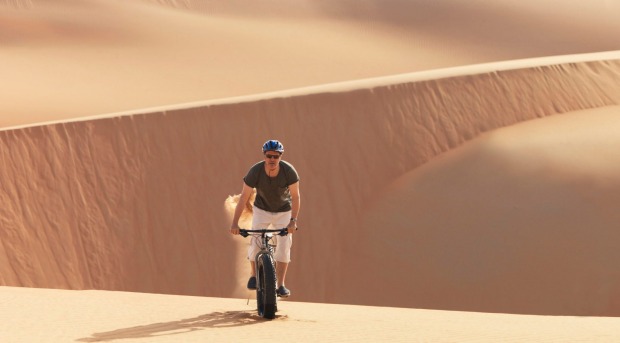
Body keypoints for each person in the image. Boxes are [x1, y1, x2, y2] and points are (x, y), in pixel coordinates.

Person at [230, 139, 300, 297]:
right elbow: (243, 198)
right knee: (255, 241)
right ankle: (254, 275)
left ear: (280, 156)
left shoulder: (289, 171)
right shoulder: (255, 171)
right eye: (269, 156)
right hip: (261, 209)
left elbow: (295, 197)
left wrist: (293, 220)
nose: (272, 160)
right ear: (264, 156)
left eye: (276, 156)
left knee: (284, 245)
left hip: (284, 211)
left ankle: (281, 285)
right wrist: (235, 223)